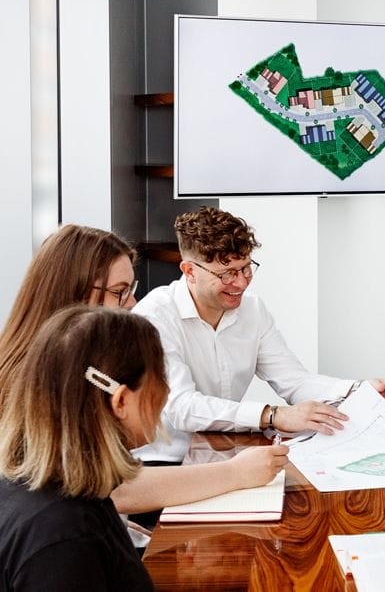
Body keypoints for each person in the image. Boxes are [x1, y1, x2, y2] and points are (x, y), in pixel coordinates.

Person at [0, 225, 288, 531]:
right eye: (119, 292)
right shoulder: (44, 379)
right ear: (76, 292)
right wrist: (235, 473)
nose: (133, 304)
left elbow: (98, 490)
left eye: (131, 290)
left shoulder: (71, 364)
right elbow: (115, 489)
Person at [133, 207, 385, 464]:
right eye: (227, 274)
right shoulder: (154, 316)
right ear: (190, 271)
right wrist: (273, 416)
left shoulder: (253, 309)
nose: (241, 283)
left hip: (224, 453)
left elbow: (293, 381)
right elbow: (182, 407)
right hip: (167, 460)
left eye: (246, 268)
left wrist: (357, 391)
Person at [0, 306, 165, 589]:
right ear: (121, 401)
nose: (167, 391)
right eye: (160, 377)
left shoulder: (58, 496)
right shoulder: (65, 539)